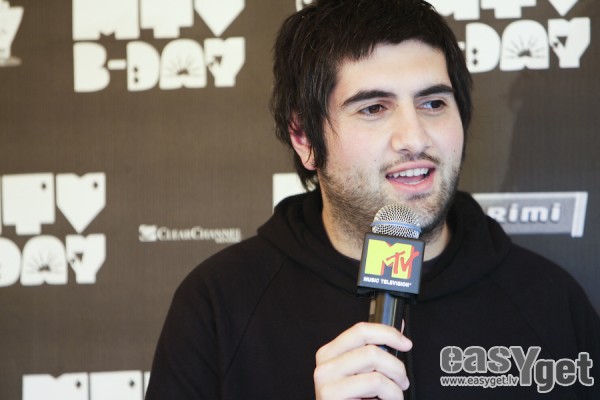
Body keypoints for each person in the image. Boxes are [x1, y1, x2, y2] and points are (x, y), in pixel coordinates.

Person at [145, 0, 600, 399]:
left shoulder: (550, 303)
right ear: (304, 138)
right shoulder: (219, 304)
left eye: (433, 103)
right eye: (374, 108)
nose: (414, 138)